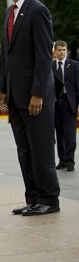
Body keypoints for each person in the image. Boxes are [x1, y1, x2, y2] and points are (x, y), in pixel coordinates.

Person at [0, 0, 60, 216]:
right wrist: (2, 88)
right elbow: (6, 54)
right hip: (15, 95)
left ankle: (49, 200)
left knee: (41, 150)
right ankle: (33, 198)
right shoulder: (9, 12)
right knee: (24, 150)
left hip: (35, 98)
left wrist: (39, 93)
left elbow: (44, 57)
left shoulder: (38, 11)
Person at [52, 40, 79, 172]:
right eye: (59, 50)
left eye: (64, 50)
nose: (62, 52)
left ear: (66, 50)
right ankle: (62, 160)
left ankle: (70, 161)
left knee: (70, 134)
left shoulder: (74, 65)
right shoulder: (51, 66)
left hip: (70, 103)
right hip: (56, 103)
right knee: (59, 133)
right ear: (55, 51)